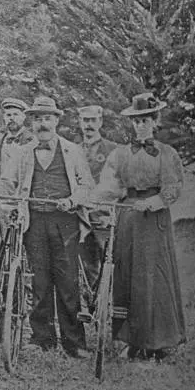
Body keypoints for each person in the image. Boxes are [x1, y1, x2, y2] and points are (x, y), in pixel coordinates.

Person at [0, 96, 94, 358]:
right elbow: (7, 182)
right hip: (34, 221)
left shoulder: (73, 151)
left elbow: (87, 187)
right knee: (39, 282)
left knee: (67, 283)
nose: (42, 124)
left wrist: (72, 200)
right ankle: (42, 339)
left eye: (47, 118)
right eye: (37, 119)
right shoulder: (23, 153)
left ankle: (74, 343)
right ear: (32, 122)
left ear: (56, 121)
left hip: (66, 223)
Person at [92, 93, 185, 362]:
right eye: (136, 122)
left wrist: (154, 202)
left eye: (145, 120)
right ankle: (131, 341)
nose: (140, 126)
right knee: (126, 276)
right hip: (128, 219)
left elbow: (173, 187)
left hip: (153, 221)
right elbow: (110, 184)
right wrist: (95, 198)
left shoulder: (166, 154)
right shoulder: (120, 154)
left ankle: (159, 342)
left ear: (155, 121)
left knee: (153, 278)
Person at [76, 105, 118, 300]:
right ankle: (90, 306)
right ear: (80, 123)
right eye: (85, 120)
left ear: (100, 122)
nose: (89, 125)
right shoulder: (73, 149)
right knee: (85, 265)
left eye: (93, 120)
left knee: (108, 263)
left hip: (103, 216)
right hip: (80, 215)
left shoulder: (113, 150)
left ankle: (107, 306)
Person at [0, 98, 35, 181]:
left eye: (15, 114)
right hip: (1, 190)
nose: (11, 118)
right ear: (4, 118)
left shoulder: (32, 140)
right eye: (8, 115)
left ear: (23, 117)